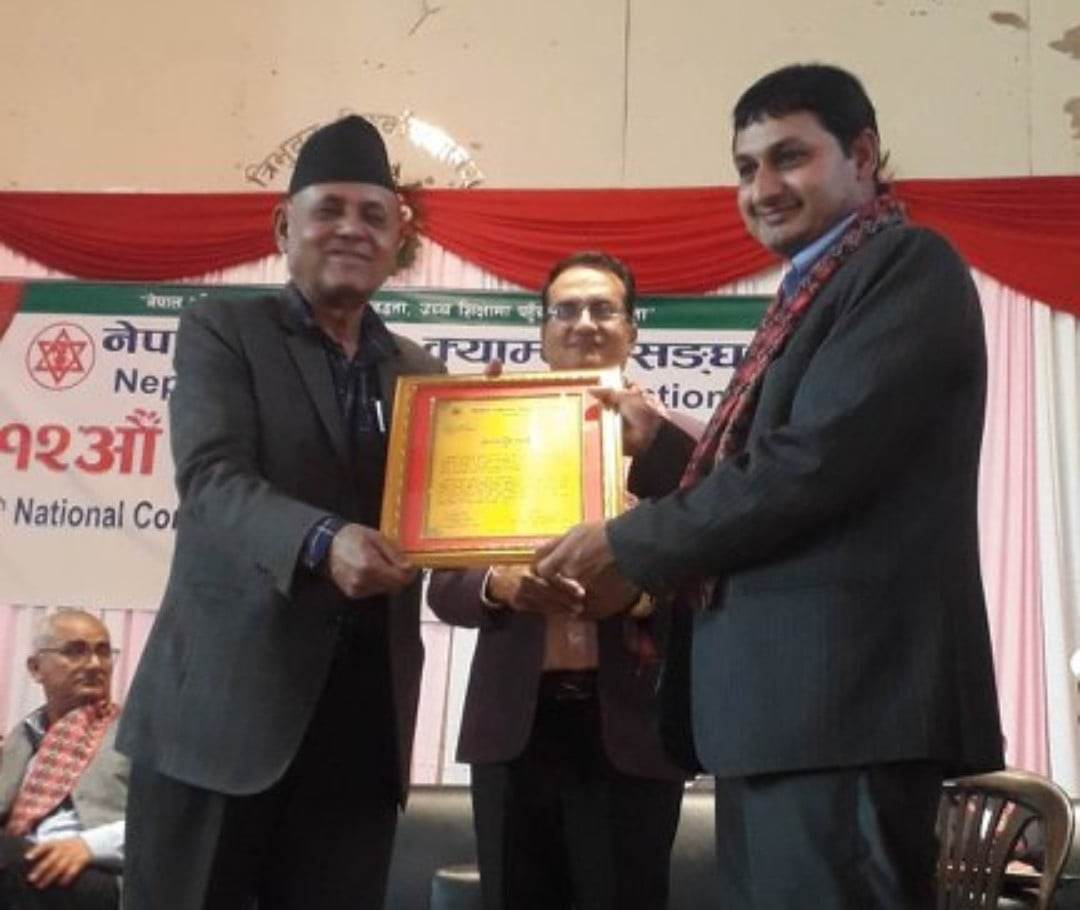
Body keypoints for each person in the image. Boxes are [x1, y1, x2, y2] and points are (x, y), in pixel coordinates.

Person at [535, 64, 1005, 908]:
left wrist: (627, 543)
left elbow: (815, 462)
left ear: (862, 155)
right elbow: (774, 473)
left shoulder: (905, 265)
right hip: (776, 714)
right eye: (746, 168)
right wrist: (655, 453)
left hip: (848, 708)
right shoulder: (816, 288)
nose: (762, 188)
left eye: (789, 157)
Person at [116, 115, 445, 910]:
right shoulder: (223, 330)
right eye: (329, 209)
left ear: (398, 239)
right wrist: (325, 541)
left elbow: (442, 519)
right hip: (220, 725)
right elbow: (211, 479)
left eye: (374, 215)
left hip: (360, 732)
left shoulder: (422, 372)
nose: (352, 229)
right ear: (283, 227)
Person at [428, 252, 686, 910]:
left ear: (632, 330)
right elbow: (442, 584)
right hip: (514, 729)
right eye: (565, 310)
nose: (584, 322)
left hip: (629, 728)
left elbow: (713, 573)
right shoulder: (491, 430)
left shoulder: (680, 447)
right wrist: (500, 584)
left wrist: (639, 592)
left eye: (604, 309)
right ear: (542, 332)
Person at [0, 609, 128, 910]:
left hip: (98, 875)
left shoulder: (135, 734)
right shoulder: (22, 737)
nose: (94, 664)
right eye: (76, 651)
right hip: (20, 863)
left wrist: (88, 846)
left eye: (103, 652)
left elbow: (166, 823)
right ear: (35, 668)